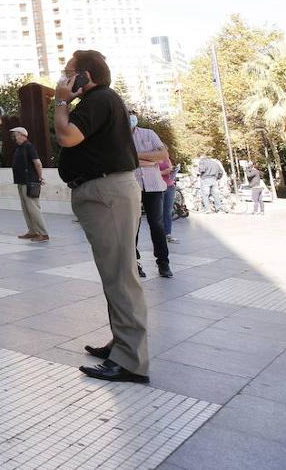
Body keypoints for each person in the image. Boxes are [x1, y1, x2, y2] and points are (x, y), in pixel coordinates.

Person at [55, 49, 150, 385]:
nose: (63, 78)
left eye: (69, 72)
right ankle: (121, 344)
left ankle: (130, 362)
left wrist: (61, 102)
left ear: (87, 76)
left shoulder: (98, 99)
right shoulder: (99, 101)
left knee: (120, 276)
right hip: (103, 192)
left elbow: (67, 136)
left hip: (107, 192)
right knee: (114, 273)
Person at [130, 112, 172, 278]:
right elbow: (123, 159)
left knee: (157, 224)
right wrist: (150, 160)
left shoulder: (149, 133)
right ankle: (135, 263)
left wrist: (135, 155)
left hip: (154, 185)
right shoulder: (118, 136)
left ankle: (163, 263)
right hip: (132, 185)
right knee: (133, 226)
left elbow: (163, 155)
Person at [11, 127, 48, 242]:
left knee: (33, 208)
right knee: (26, 209)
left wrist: (40, 177)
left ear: (22, 135)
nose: (14, 137)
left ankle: (43, 233)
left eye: (15, 135)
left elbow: (37, 163)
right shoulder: (20, 148)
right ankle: (32, 232)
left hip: (29, 182)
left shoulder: (28, 146)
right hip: (21, 182)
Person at [159, 159, 179, 243]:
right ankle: (159, 234)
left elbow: (170, 169)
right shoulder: (153, 160)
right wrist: (163, 172)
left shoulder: (167, 159)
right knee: (159, 212)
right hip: (159, 187)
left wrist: (173, 171)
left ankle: (168, 234)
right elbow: (151, 173)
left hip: (170, 186)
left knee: (168, 211)